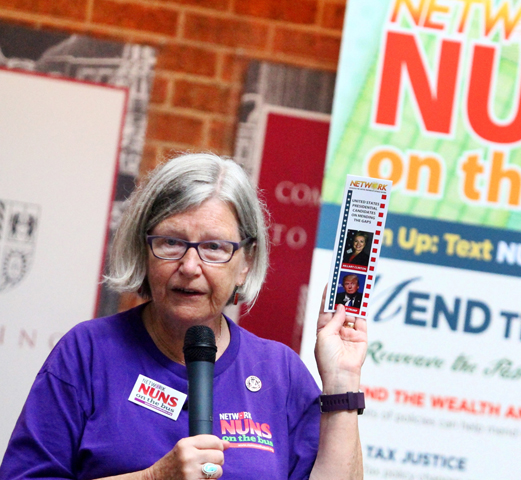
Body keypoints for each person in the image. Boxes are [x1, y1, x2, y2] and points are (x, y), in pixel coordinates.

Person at [0, 153, 366, 480]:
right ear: (144, 249)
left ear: (246, 262)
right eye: (171, 242)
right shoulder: (87, 353)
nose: (190, 266)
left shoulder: (279, 372)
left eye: (213, 247)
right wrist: (154, 479)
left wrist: (342, 381)